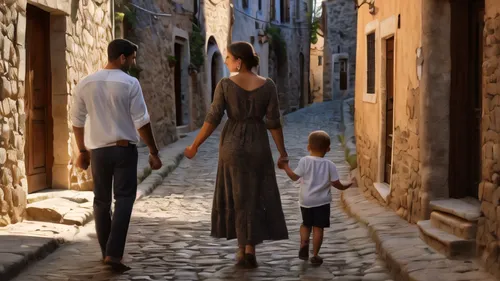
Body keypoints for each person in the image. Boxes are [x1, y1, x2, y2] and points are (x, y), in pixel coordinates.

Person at [184, 42, 289, 268]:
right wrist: (283, 153)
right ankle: (250, 248)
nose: (225, 61)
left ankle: (241, 248)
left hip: (232, 144)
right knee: (254, 195)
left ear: (239, 61)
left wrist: (195, 145)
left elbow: (212, 118)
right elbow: (273, 123)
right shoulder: (268, 85)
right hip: (258, 144)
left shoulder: (225, 85)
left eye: (229, 57)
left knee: (236, 195)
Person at [71, 39, 162, 272]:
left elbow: (77, 121)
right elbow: (142, 121)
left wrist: (82, 150)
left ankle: (106, 252)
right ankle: (113, 253)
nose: (133, 62)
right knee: (123, 199)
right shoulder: (130, 83)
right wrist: (153, 151)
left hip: (98, 152)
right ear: (122, 58)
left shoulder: (85, 83)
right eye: (132, 57)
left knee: (101, 201)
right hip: (123, 150)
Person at [278, 130, 351, 266]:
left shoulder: (304, 161)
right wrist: (347, 186)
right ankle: (315, 255)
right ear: (328, 149)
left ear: (308, 147)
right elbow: (337, 184)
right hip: (322, 202)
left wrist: (285, 167)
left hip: (306, 201)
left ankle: (303, 243)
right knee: (318, 228)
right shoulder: (330, 165)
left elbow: (294, 177)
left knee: (306, 224)